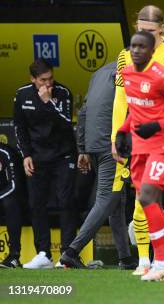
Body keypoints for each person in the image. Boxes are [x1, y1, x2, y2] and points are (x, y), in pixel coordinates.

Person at [111, 5, 164, 276]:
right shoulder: (127, 59)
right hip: (141, 138)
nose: (143, 38)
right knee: (144, 197)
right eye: (139, 31)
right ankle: (146, 260)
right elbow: (125, 99)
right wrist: (120, 132)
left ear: (161, 30)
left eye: (149, 32)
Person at [59, 62, 135, 269]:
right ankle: (71, 252)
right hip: (111, 144)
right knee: (107, 198)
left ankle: (125, 257)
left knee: (116, 199)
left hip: (94, 143)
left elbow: (83, 112)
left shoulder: (99, 73)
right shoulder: (130, 71)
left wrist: (82, 148)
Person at [13, 58, 77, 269]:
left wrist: (48, 102)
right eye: (42, 80)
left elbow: (67, 125)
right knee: (36, 203)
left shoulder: (63, 93)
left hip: (63, 155)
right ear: (32, 79)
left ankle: (67, 254)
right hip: (37, 157)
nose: (48, 84)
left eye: (50, 79)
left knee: (65, 202)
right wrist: (26, 155)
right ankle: (43, 254)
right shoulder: (22, 95)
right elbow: (20, 128)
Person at [0, 143, 22, 268]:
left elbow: (14, 185)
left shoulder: (5, 152)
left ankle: (14, 256)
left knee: (11, 204)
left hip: (7, 196)